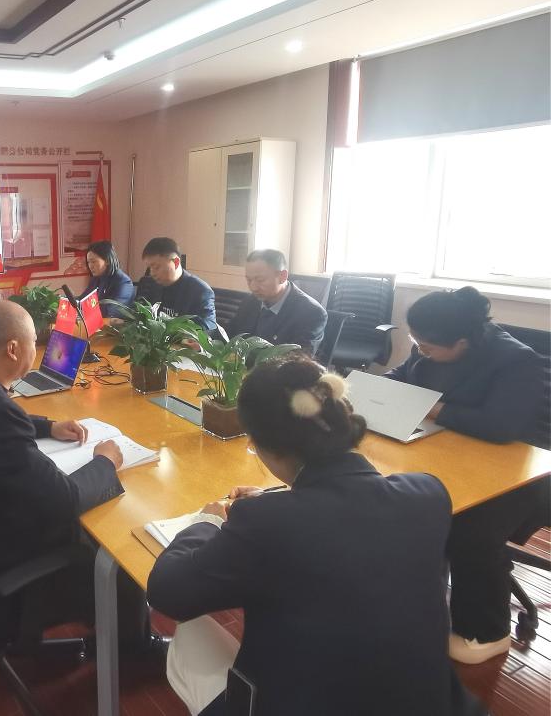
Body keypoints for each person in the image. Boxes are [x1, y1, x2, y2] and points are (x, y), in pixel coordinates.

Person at [147, 355, 486, 716]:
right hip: (435, 704)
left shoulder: (264, 523)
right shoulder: (428, 494)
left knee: (190, 635)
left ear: (261, 445)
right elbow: (348, 523)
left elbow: (167, 594)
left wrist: (206, 521)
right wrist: (283, 500)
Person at [0, 299, 147, 652]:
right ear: (13, 349)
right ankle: (133, 651)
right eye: (33, 342)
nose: (37, 349)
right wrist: (105, 462)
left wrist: (47, 426)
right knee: (117, 549)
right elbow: (65, 500)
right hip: (0, 553)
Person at [386, 286, 549, 664]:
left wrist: (432, 408)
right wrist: (376, 390)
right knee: (391, 493)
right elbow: (404, 373)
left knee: (468, 531)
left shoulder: (516, 361)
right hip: (450, 449)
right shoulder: (432, 344)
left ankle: (487, 632)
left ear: (461, 342)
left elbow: (501, 426)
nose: (420, 351)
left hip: (520, 469)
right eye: (417, 343)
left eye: (427, 347)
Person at [226, 249, 327, 352]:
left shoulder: (311, 313)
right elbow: (229, 338)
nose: (253, 287)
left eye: (260, 280)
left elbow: (299, 358)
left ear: (282, 276)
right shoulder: (250, 301)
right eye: (249, 280)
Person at [136, 237, 217, 332]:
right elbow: (138, 313)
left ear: (176, 262)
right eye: (149, 268)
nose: (152, 273)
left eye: (156, 267)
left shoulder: (200, 291)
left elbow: (209, 326)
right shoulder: (150, 284)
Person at [79, 240, 135, 317]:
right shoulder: (96, 279)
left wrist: (84, 308)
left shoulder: (123, 282)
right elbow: (82, 299)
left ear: (107, 261)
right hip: (97, 320)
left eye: (93, 262)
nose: (90, 266)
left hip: (116, 323)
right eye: (88, 262)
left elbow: (111, 310)